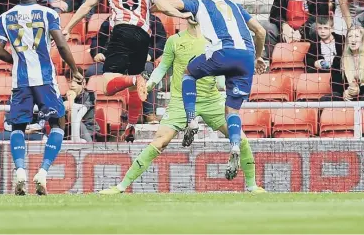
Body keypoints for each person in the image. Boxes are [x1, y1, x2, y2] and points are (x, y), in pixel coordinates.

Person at [100, 21, 265, 194]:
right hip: (180, 100)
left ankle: (252, 186)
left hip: (211, 99)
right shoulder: (174, 41)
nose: (193, 15)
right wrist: (149, 85)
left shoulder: (214, 40)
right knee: (160, 141)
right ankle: (121, 187)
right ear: (185, 16)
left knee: (240, 139)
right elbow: (163, 67)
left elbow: (224, 69)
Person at [61, 0, 195, 142]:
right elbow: (163, 6)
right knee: (135, 88)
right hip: (143, 36)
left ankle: (133, 81)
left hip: (122, 31)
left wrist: (69, 26)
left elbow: (88, 5)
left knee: (108, 86)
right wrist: (181, 15)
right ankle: (132, 125)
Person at [0, 0, 83, 196]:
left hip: (20, 81)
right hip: (45, 79)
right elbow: (61, 44)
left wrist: (17, 60)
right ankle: (42, 172)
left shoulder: (4, 17)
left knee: (17, 127)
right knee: (58, 123)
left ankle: (21, 170)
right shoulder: (48, 14)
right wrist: (75, 70)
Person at [163, 0, 267, 172]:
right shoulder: (235, 5)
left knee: (188, 74)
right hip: (246, 59)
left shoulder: (199, 3)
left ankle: (191, 119)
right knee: (232, 111)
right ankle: (234, 145)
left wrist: (155, 4)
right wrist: (257, 57)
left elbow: (170, 3)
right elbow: (261, 32)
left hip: (223, 53)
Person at [321, 26, 364, 102]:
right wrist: (345, 92)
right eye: (350, 36)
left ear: (363, 40)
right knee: (326, 99)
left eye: (356, 36)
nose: (353, 40)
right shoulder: (339, 59)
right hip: (347, 95)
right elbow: (334, 83)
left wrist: (359, 90)